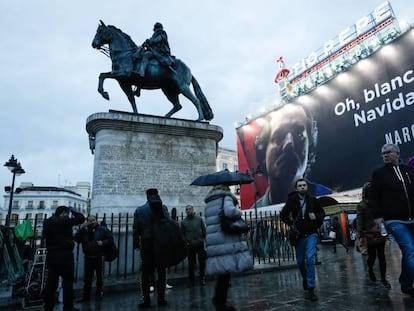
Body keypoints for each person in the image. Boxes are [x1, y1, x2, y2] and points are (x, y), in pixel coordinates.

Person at [253, 103, 331, 208]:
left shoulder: (327, 198)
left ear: (310, 149)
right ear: (263, 154)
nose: (289, 144)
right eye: (279, 136)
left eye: (299, 135)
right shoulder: (255, 211)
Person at [369, 143, 414, 296]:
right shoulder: (379, 174)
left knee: (409, 253)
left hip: (412, 217)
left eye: (388, 152)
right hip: (394, 220)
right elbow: (373, 196)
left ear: (397, 154)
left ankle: (406, 283)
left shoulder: (408, 171)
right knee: (409, 250)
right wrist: (378, 216)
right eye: (383, 153)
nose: (386, 155)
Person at [204, 184, 253, 311]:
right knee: (226, 272)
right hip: (225, 237)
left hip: (214, 238)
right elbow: (230, 211)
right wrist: (239, 211)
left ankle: (219, 300)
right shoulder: (226, 197)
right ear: (226, 188)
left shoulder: (209, 201)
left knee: (223, 272)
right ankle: (220, 302)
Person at [280, 178, 325, 302]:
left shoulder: (313, 201)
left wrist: (316, 217)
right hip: (298, 235)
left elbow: (322, 214)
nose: (302, 187)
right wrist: (291, 224)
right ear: (296, 188)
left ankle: (311, 288)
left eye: (304, 185)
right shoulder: (291, 201)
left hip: (311, 234)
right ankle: (306, 278)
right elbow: (283, 215)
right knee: (300, 262)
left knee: (310, 258)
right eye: (300, 186)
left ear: (307, 187)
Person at [42, 205, 85, 311]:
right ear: (64, 213)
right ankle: (68, 307)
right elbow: (81, 218)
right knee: (67, 282)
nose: (68, 215)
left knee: (51, 282)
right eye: (67, 213)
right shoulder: (64, 220)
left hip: (51, 254)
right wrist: (74, 211)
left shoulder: (47, 222)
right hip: (65, 255)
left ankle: (48, 306)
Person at [133, 188, 169, 308]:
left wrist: (136, 244)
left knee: (145, 273)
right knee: (161, 271)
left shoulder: (139, 210)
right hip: (160, 243)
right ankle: (161, 299)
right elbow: (168, 224)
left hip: (146, 243)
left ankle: (146, 300)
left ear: (147, 196)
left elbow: (136, 229)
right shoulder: (163, 208)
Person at [356, 182, 390, 288]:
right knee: (372, 256)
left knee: (382, 256)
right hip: (368, 234)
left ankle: (384, 279)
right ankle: (370, 269)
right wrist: (361, 233)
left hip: (379, 233)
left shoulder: (379, 202)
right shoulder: (362, 205)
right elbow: (359, 220)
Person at [74, 216, 114, 302]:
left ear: (96, 220)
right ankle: (86, 296)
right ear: (87, 222)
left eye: (93, 220)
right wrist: (81, 229)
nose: (92, 222)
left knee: (100, 277)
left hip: (99, 256)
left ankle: (99, 295)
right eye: (90, 221)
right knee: (87, 278)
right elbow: (76, 239)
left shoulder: (103, 229)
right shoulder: (84, 231)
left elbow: (111, 240)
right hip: (88, 256)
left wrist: (103, 243)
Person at [180, 204, 207, 286]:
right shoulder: (183, 222)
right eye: (187, 209)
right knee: (191, 263)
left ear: (193, 210)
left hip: (199, 243)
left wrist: (204, 240)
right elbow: (182, 234)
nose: (188, 211)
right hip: (190, 245)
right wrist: (186, 242)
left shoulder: (199, 219)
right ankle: (191, 280)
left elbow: (204, 230)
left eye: (189, 209)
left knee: (202, 262)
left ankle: (202, 278)